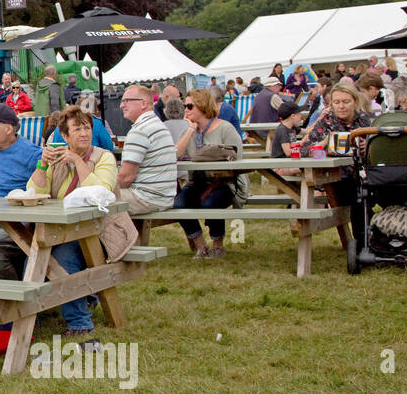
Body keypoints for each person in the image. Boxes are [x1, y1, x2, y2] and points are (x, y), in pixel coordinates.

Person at [26, 106, 118, 336]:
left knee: (62, 257)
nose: (84, 133)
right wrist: (43, 164)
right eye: (77, 129)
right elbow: (34, 191)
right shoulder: (57, 156)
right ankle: (29, 315)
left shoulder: (104, 157)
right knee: (24, 253)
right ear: (64, 137)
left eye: (87, 128)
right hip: (59, 228)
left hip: (97, 231)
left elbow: (101, 192)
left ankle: (79, 322)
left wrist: (77, 160)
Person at [0, 104, 45, 282]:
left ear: (8, 128)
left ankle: (17, 304)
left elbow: (46, 190)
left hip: (15, 224)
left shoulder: (32, 155)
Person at [173, 88, 248, 258]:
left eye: (190, 106)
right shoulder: (189, 131)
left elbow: (238, 161)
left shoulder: (225, 129)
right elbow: (176, 153)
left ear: (202, 106)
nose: (185, 109)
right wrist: (191, 130)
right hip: (197, 183)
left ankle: (217, 245)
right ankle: (201, 246)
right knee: (179, 205)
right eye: (185, 105)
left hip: (226, 183)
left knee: (210, 203)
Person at [116, 85, 177, 216]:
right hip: (163, 197)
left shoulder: (140, 130)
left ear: (143, 103)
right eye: (122, 101)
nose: (121, 105)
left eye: (126, 101)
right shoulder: (157, 124)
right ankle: (132, 236)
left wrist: (104, 186)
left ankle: (127, 237)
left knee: (94, 202)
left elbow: (126, 177)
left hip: (146, 197)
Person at [269, 102, 306, 178]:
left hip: (289, 162)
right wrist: (302, 142)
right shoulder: (282, 130)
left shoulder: (292, 127)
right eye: (298, 114)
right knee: (303, 168)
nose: (300, 116)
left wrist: (320, 119)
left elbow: (307, 131)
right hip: (280, 165)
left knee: (307, 166)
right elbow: (288, 152)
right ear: (292, 116)